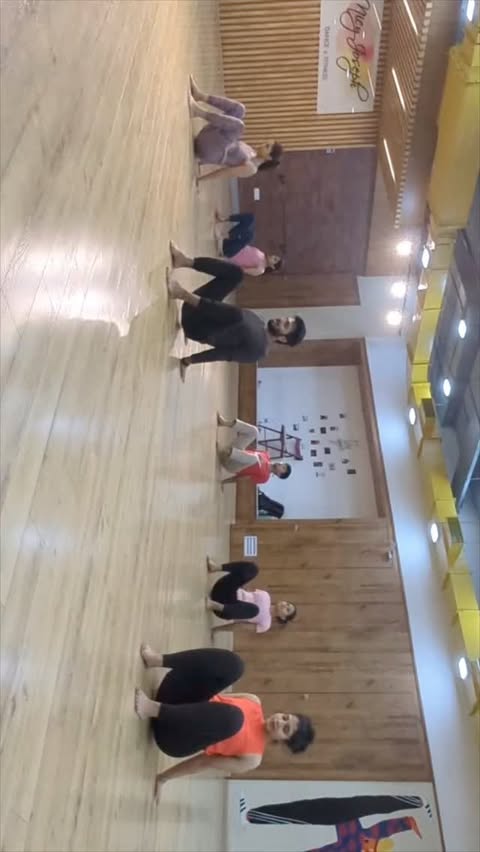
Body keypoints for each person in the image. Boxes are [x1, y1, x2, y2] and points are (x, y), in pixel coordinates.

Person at [134, 645, 315, 798]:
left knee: (235, 718)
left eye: (285, 729)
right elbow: (210, 693)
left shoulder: (252, 759)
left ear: (283, 741)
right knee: (235, 665)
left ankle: (151, 709)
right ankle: (157, 660)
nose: (280, 722)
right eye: (285, 717)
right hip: (173, 698)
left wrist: (164, 778)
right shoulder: (253, 701)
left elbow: (204, 762)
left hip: (172, 735)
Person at [166, 243, 306, 380]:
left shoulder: (257, 351)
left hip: (193, 325)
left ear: (283, 339)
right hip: (196, 311)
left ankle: (180, 293)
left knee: (237, 316)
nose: (281, 319)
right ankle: (184, 261)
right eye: (286, 318)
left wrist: (188, 360)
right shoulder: (259, 322)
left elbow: (222, 354)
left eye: (286, 325)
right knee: (236, 275)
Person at [189, 76, 283, 182]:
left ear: (269, 158)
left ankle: (197, 111)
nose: (263, 144)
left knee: (239, 127)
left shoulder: (251, 169)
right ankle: (200, 96)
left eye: (267, 146)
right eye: (266, 142)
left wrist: (201, 179)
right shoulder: (250, 150)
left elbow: (226, 172)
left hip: (208, 150)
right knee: (240, 109)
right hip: (209, 137)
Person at [206, 557, 296, 634]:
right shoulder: (266, 595)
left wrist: (216, 629)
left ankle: (213, 605)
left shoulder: (265, 624)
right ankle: (215, 567)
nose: (285, 605)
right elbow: (245, 589)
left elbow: (240, 626)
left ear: (283, 618)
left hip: (223, 609)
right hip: (222, 589)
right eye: (287, 604)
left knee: (254, 610)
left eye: (287, 609)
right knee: (253, 568)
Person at [216, 412, 291, 485]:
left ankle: (224, 451)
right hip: (233, 453)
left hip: (231, 465)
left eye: (283, 468)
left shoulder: (265, 478)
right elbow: (246, 453)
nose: (281, 464)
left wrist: (225, 482)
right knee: (255, 432)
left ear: (279, 475)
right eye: (283, 464)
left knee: (255, 459)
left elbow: (244, 478)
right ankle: (224, 423)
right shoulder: (266, 455)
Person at [215, 211, 282, 277]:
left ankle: (222, 242)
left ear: (272, 267)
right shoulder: (262, 254)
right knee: (250, 218)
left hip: (230, 252)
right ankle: (223, 219)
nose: (273, 256)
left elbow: (242, 270)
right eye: (275, 256)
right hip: (231, 243)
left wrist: (225, 261)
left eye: (275, 259)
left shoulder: (261, 270)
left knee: (250, 237)